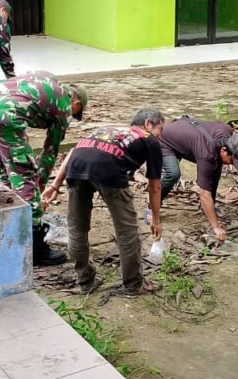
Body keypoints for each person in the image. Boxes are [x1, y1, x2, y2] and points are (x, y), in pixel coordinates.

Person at [42, 108, 165, 296]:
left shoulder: (106, 129)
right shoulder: (148, 139)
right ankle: (133, 285)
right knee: (127, 231)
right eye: (160, 130)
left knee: (77, 229)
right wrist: (156, 219)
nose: (160, 136)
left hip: (76, 167)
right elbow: (155, 186)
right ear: (148, 124)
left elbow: (74, 152)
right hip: (109, 170)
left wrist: (55, 185)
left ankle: (84, 281)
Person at [0, 71, 87, 266]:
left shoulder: (49, 81)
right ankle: (35, 249)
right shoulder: (65, 106)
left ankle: (6, 219)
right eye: (76, 114)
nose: (72, 117)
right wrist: (39, 190)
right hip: (6, 116)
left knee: (4, 169)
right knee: (26, 176)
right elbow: (50, 152)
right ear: (76, 104)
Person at [158, 116, 238, 242]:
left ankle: (208, 208)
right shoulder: (206, 154)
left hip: (186, 136)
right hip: (166, 141)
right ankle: (152, 205)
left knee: (217, 166)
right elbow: (204, 193)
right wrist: (216, 227)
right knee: (173, 174)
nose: (231, 164)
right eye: (232, 160)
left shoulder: (226, 130)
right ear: (224, 150)